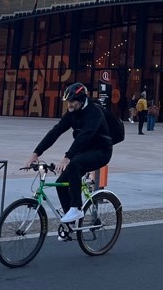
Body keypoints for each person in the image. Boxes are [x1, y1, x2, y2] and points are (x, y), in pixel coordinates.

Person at [27, 82, 113, 226]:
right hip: (85, 151)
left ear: (81, 100)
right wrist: (36, 153)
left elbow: (84, 136)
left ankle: (76, 208)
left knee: (74, 165)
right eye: (68, 102)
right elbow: (56, 131)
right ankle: (70, 224)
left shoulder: (94, 112)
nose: (69, 105)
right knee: (60, 184)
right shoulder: (72, 113)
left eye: (72, 102)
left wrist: (67, 157)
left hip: (101, 151)